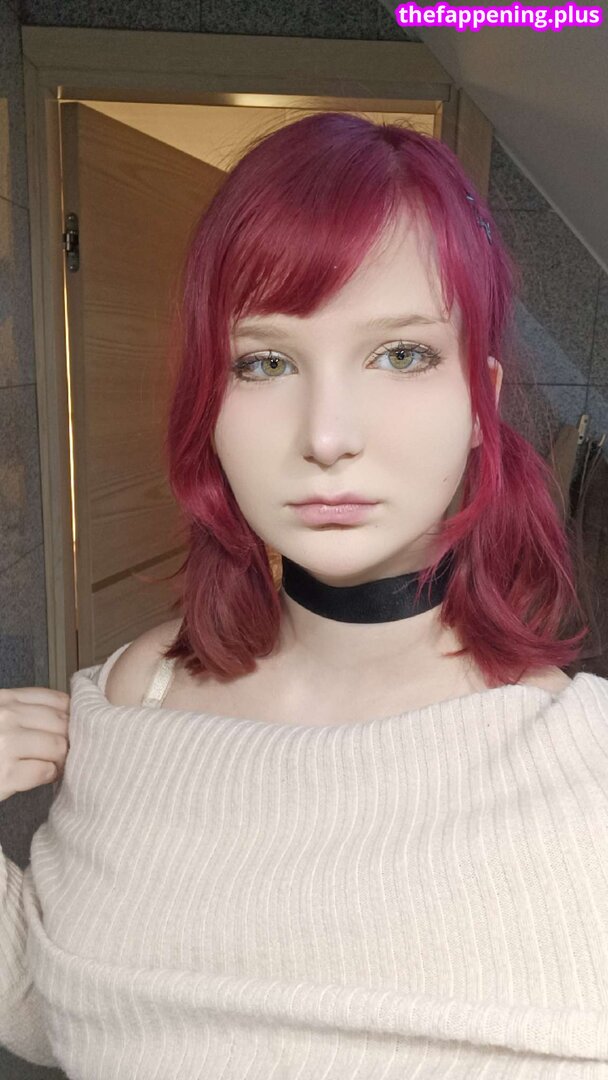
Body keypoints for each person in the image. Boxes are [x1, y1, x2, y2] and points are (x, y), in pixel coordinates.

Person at [1, 112, 607, 1078]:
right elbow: (59, 1014)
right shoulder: (134, 696)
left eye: (401, 354)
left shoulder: (582, 768)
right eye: (266, 362)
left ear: (480, 401)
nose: (327, 436)